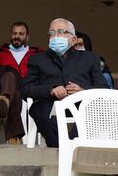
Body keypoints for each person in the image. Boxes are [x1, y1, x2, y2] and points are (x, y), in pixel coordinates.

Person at [20, 18, 107, 147]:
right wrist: (51, 90)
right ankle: (66, 146)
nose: (55, 36)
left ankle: (71, 144)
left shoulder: (90, 58)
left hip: (81, 106)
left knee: (96, 109)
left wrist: (82, 91)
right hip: (50, 105)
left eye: (61, 32)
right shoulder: (37, 59)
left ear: (74, 39)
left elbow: (103, 88)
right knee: (38, 108)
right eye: (51, 33)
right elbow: (26, 89)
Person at [0, 22, 42, 144]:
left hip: (28, 86)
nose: (17, 36)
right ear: (10, 35)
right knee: (11, 83)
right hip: (8, 87)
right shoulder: (0, 52)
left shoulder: (37, 53)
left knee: (11, 74)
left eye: (21, 34)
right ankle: (14, 137)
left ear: (27, 37)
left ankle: (4, 101)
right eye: (14, 33)